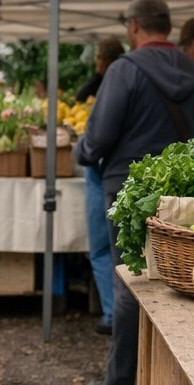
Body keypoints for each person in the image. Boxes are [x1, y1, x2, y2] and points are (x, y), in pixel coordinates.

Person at [74, 0, 194, 385]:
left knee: (129, 279)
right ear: (169, 27)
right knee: (181, 283)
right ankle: (179, 381)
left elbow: (98, 137)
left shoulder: (124, 70)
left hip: (129, 190)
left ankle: (121, 382)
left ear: (133, 26)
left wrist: (80, 152)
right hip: (185, 195)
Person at [76, 37, 125, 334]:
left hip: (105, 169)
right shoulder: (129, 78)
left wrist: (81, 151)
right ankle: (117, 313)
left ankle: (112, 314)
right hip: (120, 168)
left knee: (104, 249)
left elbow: (97, 138)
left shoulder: (113, 82)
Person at [73, 36, 123, 105]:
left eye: (98, 57)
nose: (96, 61)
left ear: (107, 60)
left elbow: (79, 97)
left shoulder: (100, 84)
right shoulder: (127, 81)